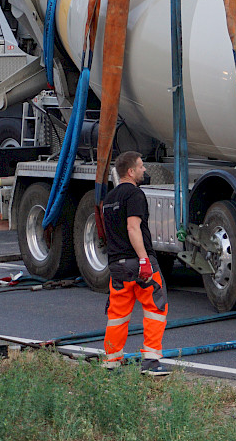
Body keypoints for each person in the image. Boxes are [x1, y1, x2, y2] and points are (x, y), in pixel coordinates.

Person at [99, 151, 170, 376]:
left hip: (117, 266)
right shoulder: (135, 195)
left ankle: (111, 362)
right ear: (130, 171)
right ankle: (151, 361)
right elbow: (133, 227)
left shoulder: (109, 199)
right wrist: (144, 260)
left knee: (118, 314)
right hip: (138, 263)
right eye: (141, 167)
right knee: (155, 305)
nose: (144, 170)